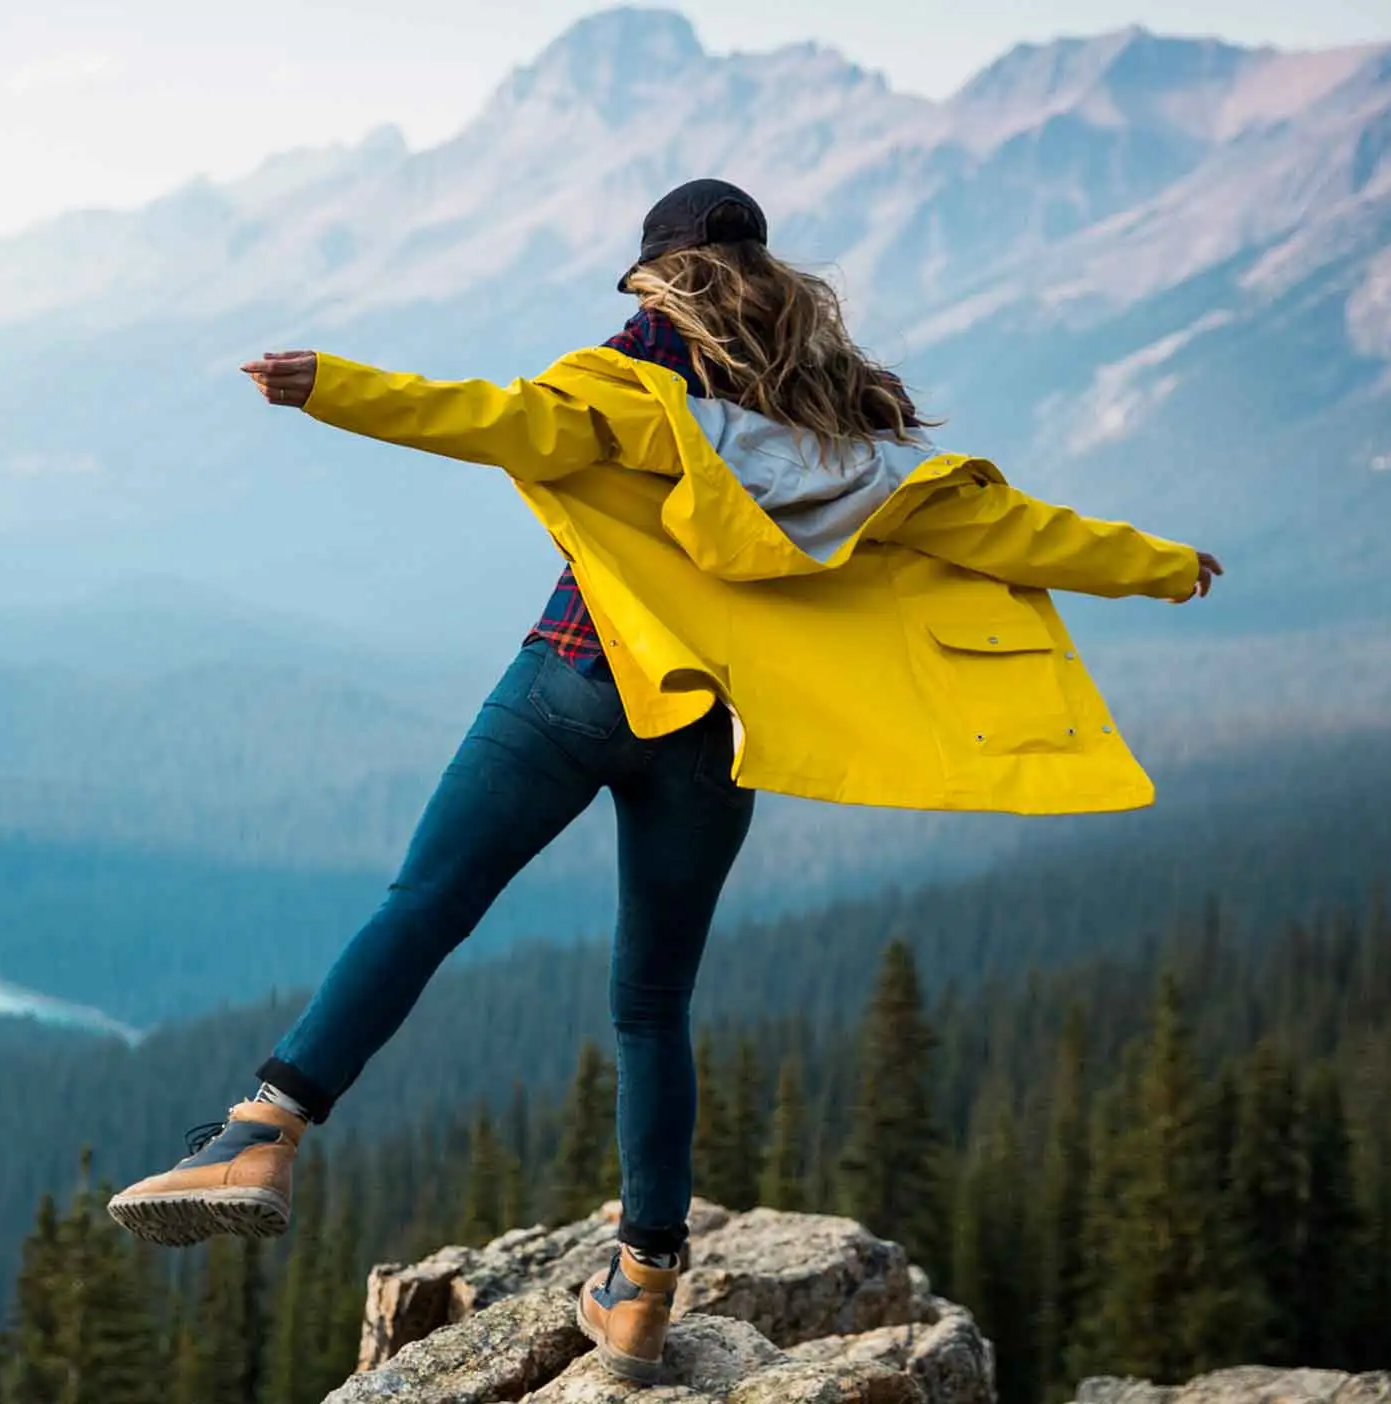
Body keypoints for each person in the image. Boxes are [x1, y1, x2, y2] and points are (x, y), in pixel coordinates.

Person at [104, 178, 1221, 1375]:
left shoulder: (626, 387)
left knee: (424, 905)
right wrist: (1158, 564)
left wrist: (330, 386)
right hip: (710, 733)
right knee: (651, 1005)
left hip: (575, 682)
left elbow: (489, 419)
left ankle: (263, 1129)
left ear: (655, 276)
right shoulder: (844, 436)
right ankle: (639, 1288)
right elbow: (1000, 528)